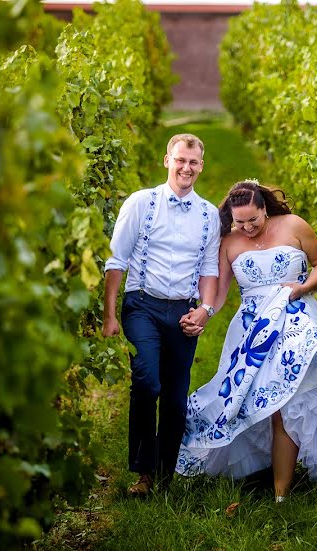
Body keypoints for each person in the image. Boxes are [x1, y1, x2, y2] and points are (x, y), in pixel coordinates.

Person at [176, 180, 317, 501]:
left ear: (264, 209)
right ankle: (271, 475)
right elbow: (220, 293)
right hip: (252, 331)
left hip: (296, 318)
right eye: (240, 222)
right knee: (258, 403)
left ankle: (281, 493)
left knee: (287, 402)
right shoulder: (229, 241)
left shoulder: (294, 225)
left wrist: (302, 287)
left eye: (253, 220)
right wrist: (203, 312)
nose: (247, 227)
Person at [103, 133, 220, 497]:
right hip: (143, 305)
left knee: (174, 397)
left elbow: (209, 268)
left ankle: (165, 476)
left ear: (201, 165)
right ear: (166, 160)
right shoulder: (141, 203)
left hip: (183, 311)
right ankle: (143, 472)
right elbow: (116, 259)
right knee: (147, 382)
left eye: (194, 162)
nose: (187, 168)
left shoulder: (209, 214)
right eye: (180, 160)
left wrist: (204, 310)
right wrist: (110, 314)